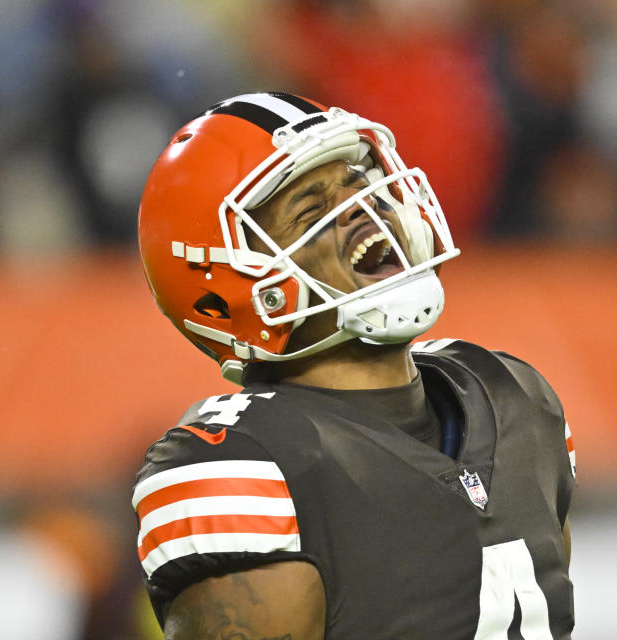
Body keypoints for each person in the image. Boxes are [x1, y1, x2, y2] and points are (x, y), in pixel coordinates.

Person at [133, 91, 577, 639]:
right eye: (313, 211)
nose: (365, 211)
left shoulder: (514, 397)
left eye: (361, 184)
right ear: (227, 292)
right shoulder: (254, 467)